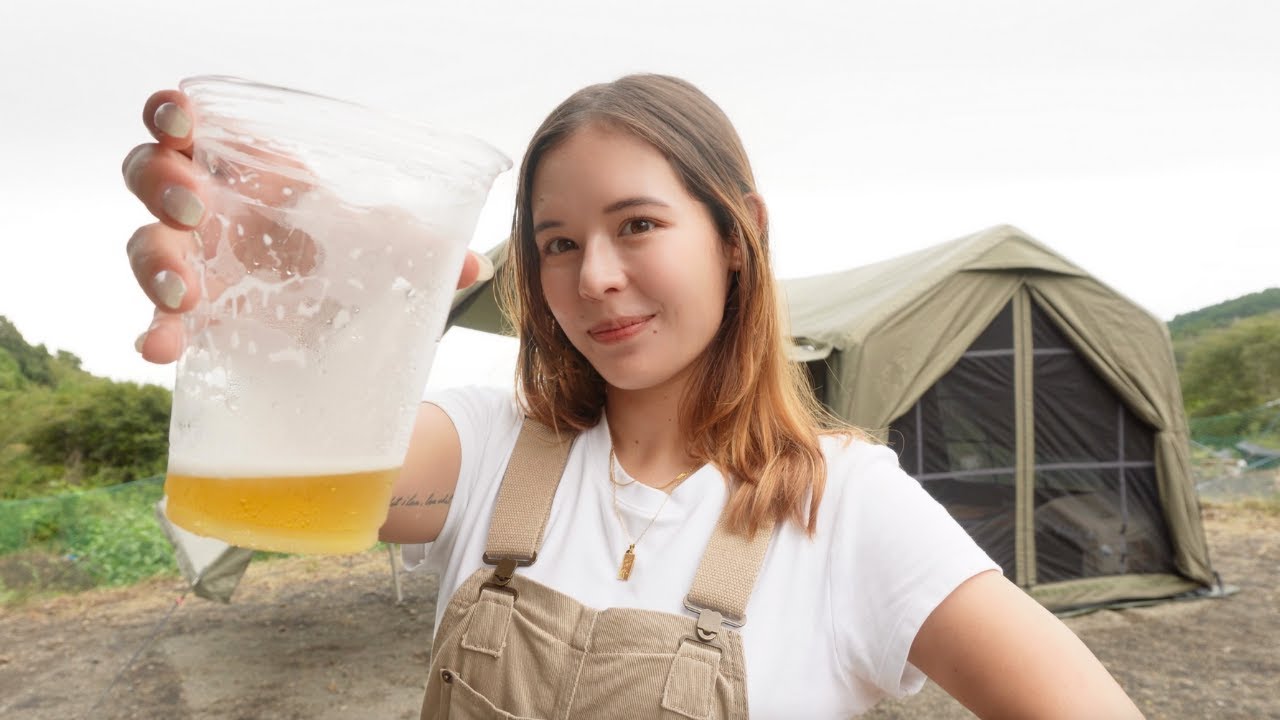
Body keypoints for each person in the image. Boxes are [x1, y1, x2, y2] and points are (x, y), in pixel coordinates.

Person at [123, 74, 1144, 719]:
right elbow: (301, 490)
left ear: (736, 234)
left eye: (637, 225)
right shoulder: (486, 453)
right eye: (556, 243)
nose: (593, 277)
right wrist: (322, 293)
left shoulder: (845, 508)